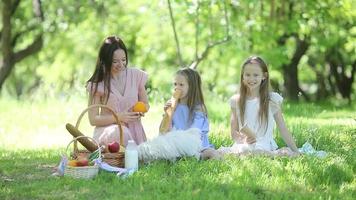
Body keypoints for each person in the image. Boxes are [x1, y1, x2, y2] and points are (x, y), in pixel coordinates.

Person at [219, 56, 299, 156]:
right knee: (242, 151)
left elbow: (283, 129)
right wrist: (244, 139)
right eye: (247, 75)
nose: (251, 79)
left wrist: (296, 150)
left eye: (256, 75)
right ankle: (275, 154)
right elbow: (234, 132)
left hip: (264, 145)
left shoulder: (271, 99)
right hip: (244, 145)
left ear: (264, 76)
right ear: (242, 76)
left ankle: (275, 153)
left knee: (256, 152)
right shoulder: (236, 100)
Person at [86, 35, 149, 147]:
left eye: (123, 60)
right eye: (115, 61)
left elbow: (146, 104)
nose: (121, 65)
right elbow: (93, 119)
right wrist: (118, 117)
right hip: (110, 133)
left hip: (135, 131)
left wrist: (141, 111)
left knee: (137, 155)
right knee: (121, 132)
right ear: (105, 60)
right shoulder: (99, 84)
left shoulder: (135, 76)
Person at [160, 68, 219, 159]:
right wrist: (168, 114)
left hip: (196, 145)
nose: (177, 88)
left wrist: (183, 144)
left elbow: (195, 133)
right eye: (175, 84)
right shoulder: (173, 106)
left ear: (191, 87)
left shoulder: (198, 108)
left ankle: (199, 156)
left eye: (181, 85)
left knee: (210, 153)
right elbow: (164, 132)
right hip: (177, 143)